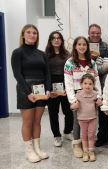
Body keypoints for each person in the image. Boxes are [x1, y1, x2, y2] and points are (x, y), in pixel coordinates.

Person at [11, 24, 51, 163]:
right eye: (29, 32)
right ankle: (29, 151)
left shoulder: (42, 54)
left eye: (35, 33)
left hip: (40, 88)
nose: (32, 35)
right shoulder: (18, 52)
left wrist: (48, 89)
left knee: (37, 120)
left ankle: (37, 148)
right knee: (27, 122)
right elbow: (17, 74)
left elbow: (47, 73)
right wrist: (27, 92)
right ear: (23, 35)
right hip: (25, 88)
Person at [64, 36, 102, 158]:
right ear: (75, 46)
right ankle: (77, 144)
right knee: (77, 121)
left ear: (87, 47)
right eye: (79, 44)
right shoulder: (70, 63)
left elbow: (97, 81)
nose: (81, 47)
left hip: (91, 95)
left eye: (84, 44)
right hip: (77, 95)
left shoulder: (92, 62)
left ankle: (89, 147)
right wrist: (72, 101)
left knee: (91, 119)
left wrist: (99, 96)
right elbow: (68, 83)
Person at [45, 31, 74, 147]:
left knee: (69, 111)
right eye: (53, 38)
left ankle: (67, 132)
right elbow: (44, 73)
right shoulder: (45, 55)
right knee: (53, 112)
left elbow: (71, 71)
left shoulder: (67, 54)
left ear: (61, 40)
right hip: (51, 84)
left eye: (58, 38)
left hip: (65, 82)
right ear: (50, 40)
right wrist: (49, 89)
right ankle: (57, 136)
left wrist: (68, 87)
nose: (56, 40)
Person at [71, 74, 101, 162]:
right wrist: (74, 106)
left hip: (92, 118)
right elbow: (73, 107)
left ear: (93, 84)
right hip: (82, 118)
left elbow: (99, 103)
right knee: (84, 134)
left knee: (91, 134)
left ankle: (91, 151)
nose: (87, 86)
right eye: (85, 83)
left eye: (90, 84)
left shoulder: (95, 94)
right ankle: (85, 151)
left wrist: (100, 103)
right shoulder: (78, 95)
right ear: (81, 84)